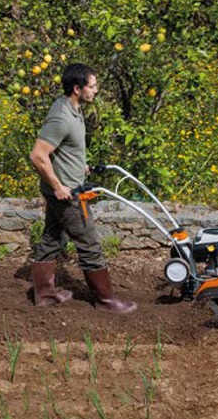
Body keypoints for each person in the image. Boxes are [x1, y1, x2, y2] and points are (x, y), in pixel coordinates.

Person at [28, 63, 137, 314]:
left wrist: (80, 165)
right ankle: (105, 300)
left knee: (53, 238)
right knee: (89, 243)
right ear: (77, 88)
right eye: (92, 86)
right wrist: (58, 186)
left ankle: (45, 295)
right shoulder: (61, 117)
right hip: (67, 195)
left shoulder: (72, 108)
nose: (96, 90)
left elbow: (64, 149)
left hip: (66, 187)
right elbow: (38, 155)